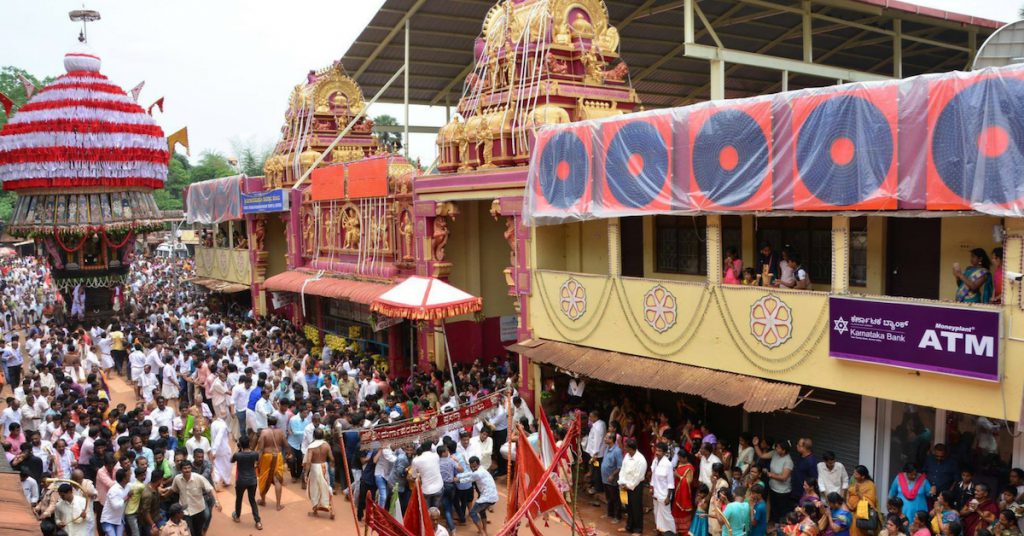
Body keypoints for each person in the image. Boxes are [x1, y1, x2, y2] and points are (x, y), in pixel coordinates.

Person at [162, 460, 221, 536]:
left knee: (198, 531)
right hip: (185, 512)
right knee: (190, 532)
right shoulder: (177, 479)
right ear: (181, 470)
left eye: (189, 468)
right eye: (185, 468)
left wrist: (217, 501)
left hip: (199, 510)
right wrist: (164, 496)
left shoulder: (198, 478)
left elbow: (210, 489)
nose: (187, 470)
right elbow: (173, 489)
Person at [454, 456, 497, 536]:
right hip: (492, 496)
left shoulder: (478, 473)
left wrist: (458, 480)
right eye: (472, 466)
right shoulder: (481, 469)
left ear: (478, 464)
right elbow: (470, 473)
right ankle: (484, 530)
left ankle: (482, 532)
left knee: (473, 513)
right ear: (469, 465)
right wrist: (459, 476)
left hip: (486, 497)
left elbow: (469, 479)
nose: (473, 468)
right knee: (481, 511)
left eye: (475, 466)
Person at [255, 413, 287, 510]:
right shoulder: (280, 432)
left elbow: (260, 449)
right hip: (278, 456)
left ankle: (263, 500)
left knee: (263, 477)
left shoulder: (264, 433)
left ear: (267, 422)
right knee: (277, 480)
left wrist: (257, 462)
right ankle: (278, 505)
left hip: (266, 456)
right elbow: (286, 445)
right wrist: (290, 454)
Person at [230, 435, 262, 530]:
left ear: (240, 445)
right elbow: (257, 461)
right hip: (252, 480)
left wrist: (238, 449)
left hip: (241, 481)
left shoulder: (238, 455)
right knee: (252, 500)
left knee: (239, 499)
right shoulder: (255, 454)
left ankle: (237, 516)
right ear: (249, 443)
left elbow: (231, 460)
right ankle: (258, 521)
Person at [619, 438, 648, 536]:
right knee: (628, 507)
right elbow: (623, 470)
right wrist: (622, 482)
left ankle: (638, 529)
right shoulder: (627, 456)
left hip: (635, 486)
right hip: (625, 484)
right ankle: (629, 526)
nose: (624, 448)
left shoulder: (641, 460)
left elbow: (638, 476)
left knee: (636, 507)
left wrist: (629, 485)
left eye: (625, 447)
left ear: (630, 448)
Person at [303, 428, 334, 519]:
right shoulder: (326, 445)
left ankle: (315, 511)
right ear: (323, 435)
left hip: (315, 468)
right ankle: (331, 510)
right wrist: (331, 467)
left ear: (314, 436)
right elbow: (332, 458)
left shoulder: (311, 446)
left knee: (315, 489)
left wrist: (306, 473)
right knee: (327, 487)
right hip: (324, 467)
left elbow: (308, 461)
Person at [652, 442, 677, 536]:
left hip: (664, 495)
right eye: (656, 450)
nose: (657, 452)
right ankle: (660, 531)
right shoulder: (655, 460)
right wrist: (652, 489)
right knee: (656, 513)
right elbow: (653, 477)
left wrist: (668, 497)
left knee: (667, 516)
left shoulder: (668, 464)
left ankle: (671, 533)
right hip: (656, 493)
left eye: (659, 451)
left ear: (665, 452)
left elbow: (671, 483)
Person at [848, 465, 879, 536]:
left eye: (856, 474)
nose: (854, 475)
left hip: (861, 513)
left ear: (863, 476)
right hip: (850, 510)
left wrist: (858, 493)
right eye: (854, 473)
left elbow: (870, 503)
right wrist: (848, 503)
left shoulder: (870, 485)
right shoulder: (853, 480)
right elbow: (848, 492)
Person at [602, 432, 624, 524]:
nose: (604, 439)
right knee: (609, 497)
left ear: (611, 440)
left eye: (606, 438)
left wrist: (612, 475)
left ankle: (617, 516)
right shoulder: (607, 448)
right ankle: (610, 513)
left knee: (615, 498)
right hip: (605, 478)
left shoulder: (617, 451)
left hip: (612, 479)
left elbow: (619, 466)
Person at [100, 468, 130, 536]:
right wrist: (126, 498)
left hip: (119, 520)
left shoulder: (128, 486)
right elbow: (115, 506)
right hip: (108, 520)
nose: (130, 476)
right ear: (124, 479)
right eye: (128, 476)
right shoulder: (113, 490)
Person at [673, 450, 696, 535]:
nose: (679, 459)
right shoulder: (680, 464)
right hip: (677, 491)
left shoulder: (689, 468)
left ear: (685, 458)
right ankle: (677, 529)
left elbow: (688, 481)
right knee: (676, 510)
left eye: (680, 458)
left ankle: (684, 530)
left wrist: (678, 476)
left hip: (684, 494)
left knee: (682, 511)